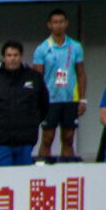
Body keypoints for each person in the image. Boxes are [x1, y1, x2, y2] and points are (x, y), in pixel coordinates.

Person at [0, 41, 48, 168]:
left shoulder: (34, 77)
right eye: (9, 55)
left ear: (21, 56)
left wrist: (31, 123)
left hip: (25, 142)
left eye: (15, 55)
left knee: (22, 183)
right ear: (3, 57)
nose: (12, 58)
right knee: (0, 184)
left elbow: (44, 105)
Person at [33, 9, 85, 161]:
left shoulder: (75, 47)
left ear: (66, 23)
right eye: (55, 22)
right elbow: (37, 78)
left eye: (61, 22)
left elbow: (81, 73)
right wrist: (38, 102)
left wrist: (82, 99)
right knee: (48, 137)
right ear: (49, 25)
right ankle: (42, 170)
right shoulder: (42, 49)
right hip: (50, 100)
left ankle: (67, 170)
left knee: (68, 137)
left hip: (70, 99)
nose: (59, 25)